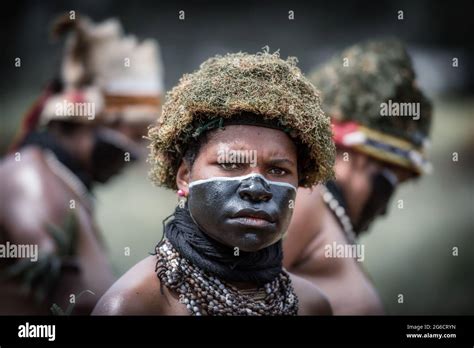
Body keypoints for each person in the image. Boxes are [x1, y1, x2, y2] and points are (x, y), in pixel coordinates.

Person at [93, 50, 336, 316]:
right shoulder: (136, 305)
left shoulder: (311, 305)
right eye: (231, 165)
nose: (256, 189)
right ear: (185, 176)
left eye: (278, 170)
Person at [0, 15, 163, 315]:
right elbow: (74, 301)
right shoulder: (31, 180)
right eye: (125, 141)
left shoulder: (60, 181)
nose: (133, 156)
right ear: (85, 117)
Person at [282, 39, 433, 315]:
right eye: (387, 185)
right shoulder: (306, 196)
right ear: (360, 156)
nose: (385, 210)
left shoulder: (325, 212)